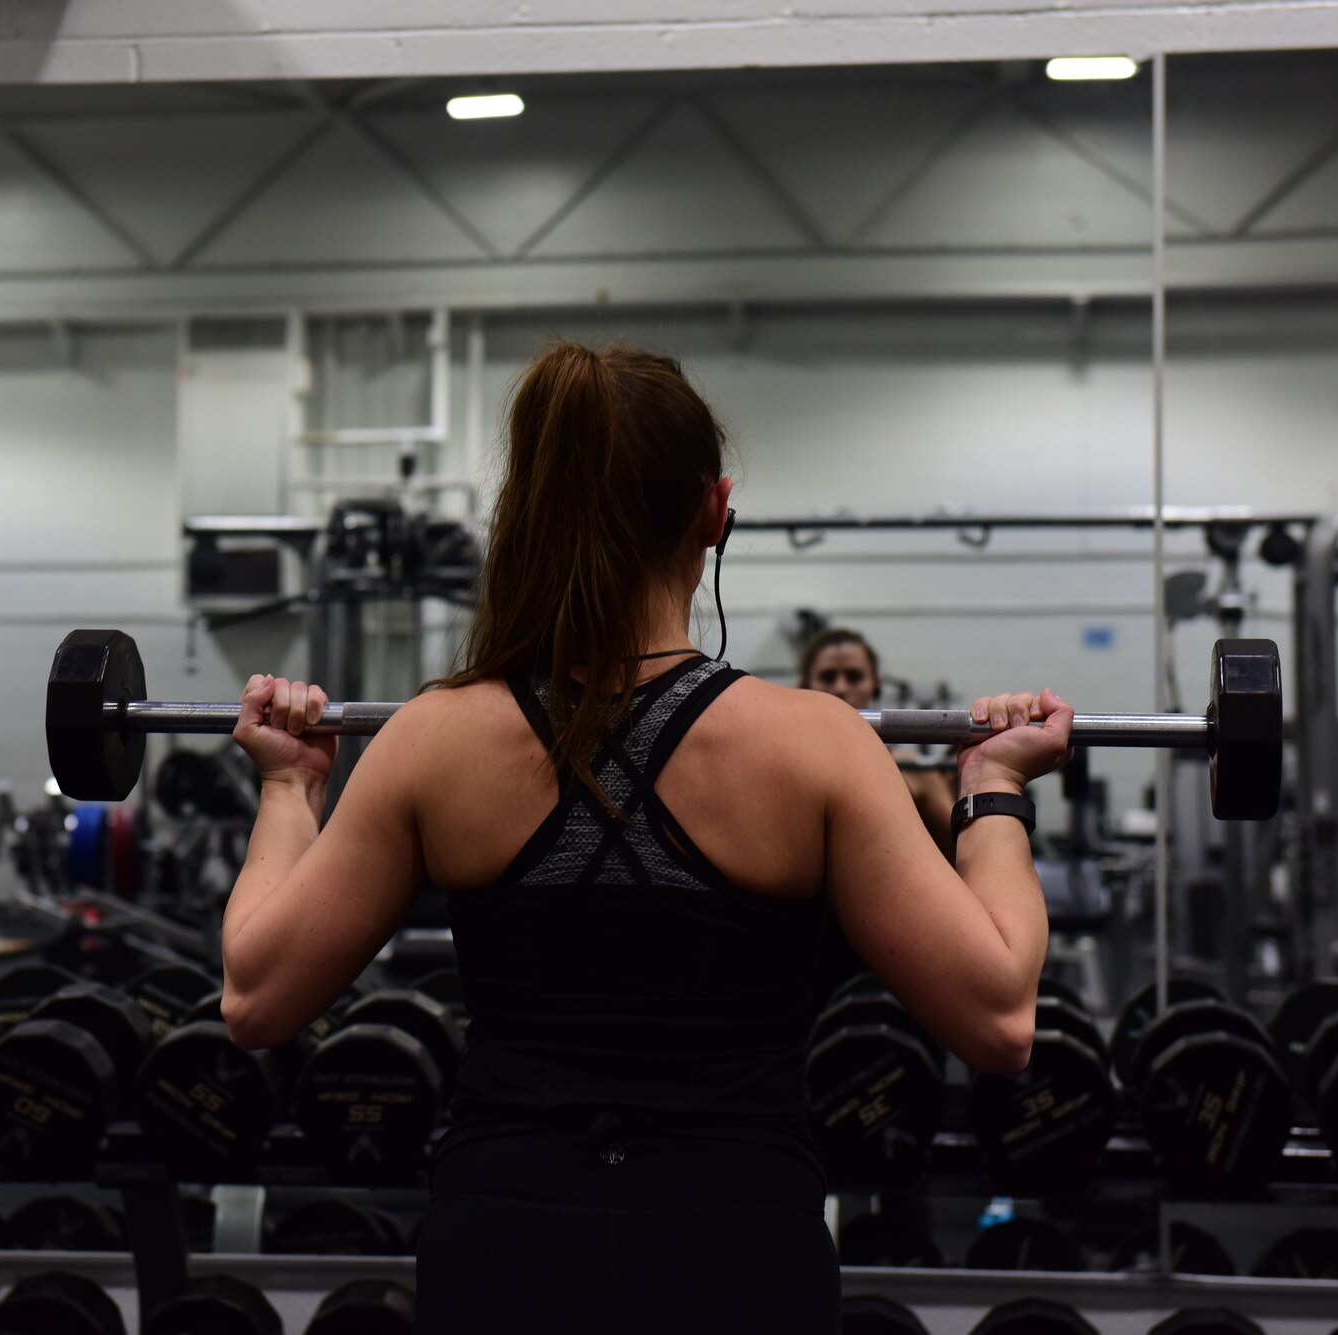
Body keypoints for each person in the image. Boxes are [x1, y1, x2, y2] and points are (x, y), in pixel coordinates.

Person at [218, 342, 1070, 1333]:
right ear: (714, 512)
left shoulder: (429, 740)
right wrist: (993, 786)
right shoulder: (815, 747)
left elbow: (254, 996)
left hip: (504, 1244)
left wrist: (287, 787)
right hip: (734, 1245)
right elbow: (998, 1019)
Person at [800, 627, 956, 857]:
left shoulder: (914, 772)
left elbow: (962, 855)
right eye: (828, 677)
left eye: (854, 677)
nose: (841, 688)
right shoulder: (786, 766)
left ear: (875, 684)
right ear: (805, 684)